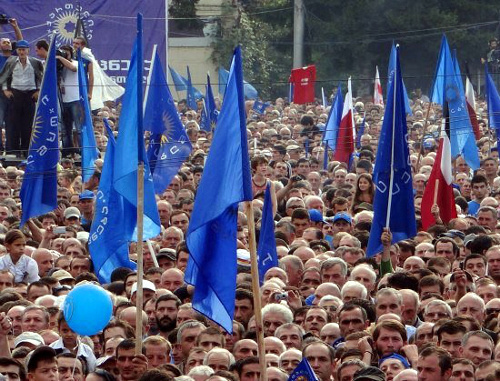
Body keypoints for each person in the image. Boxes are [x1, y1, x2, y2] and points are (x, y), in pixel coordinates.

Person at [0, 39, 43, 156]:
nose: (21, 52)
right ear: (17, 51)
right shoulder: (11, 61)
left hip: (30, 95)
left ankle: (26, 151)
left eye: (23, 49)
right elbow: (5, 76)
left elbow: (40, 77)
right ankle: (12, 151)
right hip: (15, 94)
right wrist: (5, 90)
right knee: (13, 124)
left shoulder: (35, 62)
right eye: (19, 49)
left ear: (28, 50)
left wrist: (38, 90)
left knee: (28, 125)